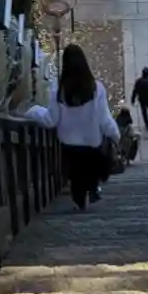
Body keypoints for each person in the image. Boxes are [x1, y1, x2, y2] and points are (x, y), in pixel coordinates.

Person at [49, 44, 121, 210]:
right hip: (91, 143)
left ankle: (80, 199)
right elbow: (104, 118)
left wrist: (33, 112)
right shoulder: (96, 88)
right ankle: (92, 188)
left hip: (69, 144)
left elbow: (52, 119)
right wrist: (115, 134)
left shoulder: (58, 90)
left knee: (76, 176)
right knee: (91, 168)